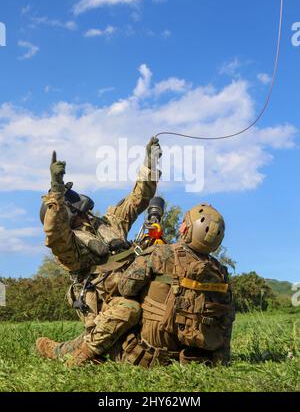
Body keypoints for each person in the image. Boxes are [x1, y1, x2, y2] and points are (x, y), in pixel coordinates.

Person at [36, 137, 161, 366]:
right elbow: (55, 233)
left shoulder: (110, 222)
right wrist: (55, 193)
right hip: (109, 304)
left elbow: (138, 199)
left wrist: (150, 164)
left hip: (134, 285)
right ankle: (79, 356)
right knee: (129, 310)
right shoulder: (70, 246)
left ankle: (61, 348)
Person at [118, 204, 235, 367]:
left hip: (149, 356)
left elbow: (125, 288)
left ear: (186, 228)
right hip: (197, 361)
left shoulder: (159, 253)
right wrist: (222, 362)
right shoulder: (221, 273)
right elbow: (227, 319)